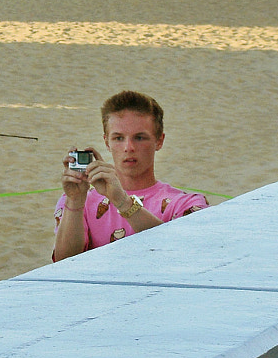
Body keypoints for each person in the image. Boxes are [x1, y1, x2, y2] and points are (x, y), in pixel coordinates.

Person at [52, 90, 207, 261]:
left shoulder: (185, 204)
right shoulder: (82, 202)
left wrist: (123, 202)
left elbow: (185, 254)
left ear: (159, 141)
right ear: (107, 142)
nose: (129, 147)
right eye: (118, 138)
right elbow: (62, 264)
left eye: (139, 138)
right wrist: (74, 201)